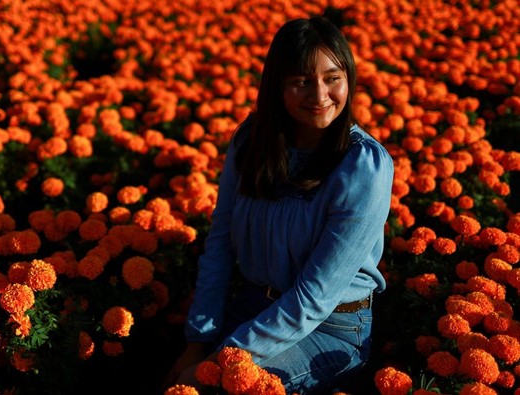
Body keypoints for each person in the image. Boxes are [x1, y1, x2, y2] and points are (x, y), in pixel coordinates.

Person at [164, 16, 394, 394]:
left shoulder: (362, 166)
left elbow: (314, 298)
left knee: (220, 386)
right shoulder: (252, 142)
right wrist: (197, 342)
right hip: (253, 304)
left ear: (348, 79)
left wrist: (221, 361)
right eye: (302, 81)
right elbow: (219, 244)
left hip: (330, 328)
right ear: (277, 86)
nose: (320, 96)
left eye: (332, 78)